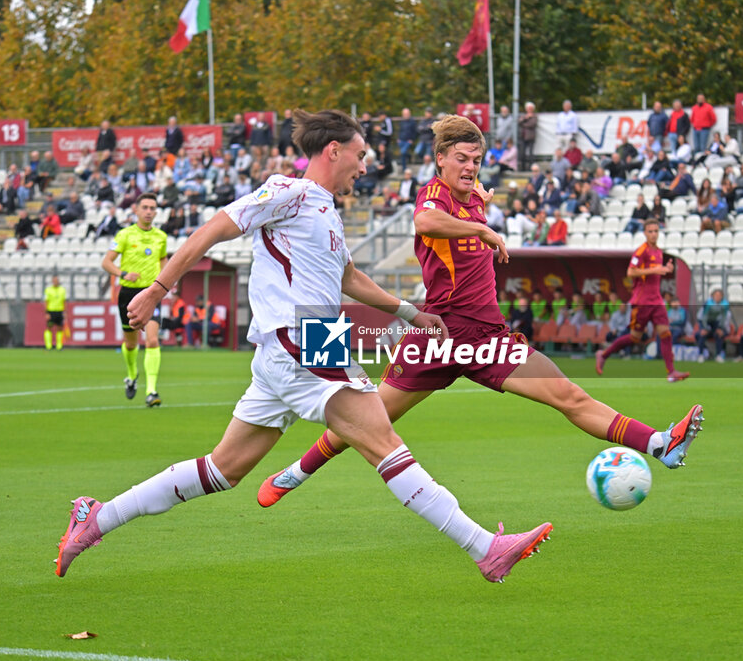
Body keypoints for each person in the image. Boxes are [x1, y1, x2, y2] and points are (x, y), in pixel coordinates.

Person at [56, 109, 554, 584]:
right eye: (360, 156)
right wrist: (158, 288)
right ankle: (485, 548)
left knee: (222, 469)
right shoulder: (288, 192)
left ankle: (96, 518)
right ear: (333, 151)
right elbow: (211, 230)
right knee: (382, 439)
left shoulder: (326, 213)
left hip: (304, 340)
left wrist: (409, 312)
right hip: (303, 337)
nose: (365, 166)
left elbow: (350, 278)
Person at [254, 114, 704, 516]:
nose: (471, 168)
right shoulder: (433, 195)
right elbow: (426, 223)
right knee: (366, 421)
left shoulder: (472, 197)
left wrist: (478, 206)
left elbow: (466, 210)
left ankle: (659, 444)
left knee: (568, 395)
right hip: (438, 337)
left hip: (487, 337)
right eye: (463, 159)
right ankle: (297, 471)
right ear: (441, 161)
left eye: (478, 160)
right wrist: (481, 226)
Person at [595, 219, 690, 382]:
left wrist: (666, 270)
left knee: (666, 334)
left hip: (657, 300)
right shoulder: (641, 251)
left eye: (656, 231)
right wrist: (655, 269)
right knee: (634, 338)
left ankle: (671, 372)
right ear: (645, 233)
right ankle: (604, 354)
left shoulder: (659, 252)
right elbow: (631, 272)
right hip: (642, 301)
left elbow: (656, 272)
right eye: (650, 231)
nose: (653, 234)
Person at [101, 193, 168, 408]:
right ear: (136, 210)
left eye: (152, 208)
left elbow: (163, 260)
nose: (149, 211)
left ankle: (151, 391)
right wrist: (122, 274)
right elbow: (106, 262)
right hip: (129, 294)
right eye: (145, 207)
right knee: (131, 343)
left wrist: (164, 283)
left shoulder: (161, 237)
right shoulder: (125, 235)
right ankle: (131, 375)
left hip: (151, 294)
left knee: (152, 340)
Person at [696, 288, 732, 362]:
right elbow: (704, 316)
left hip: (715, 321)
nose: (718, 297)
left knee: (719, 334)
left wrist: (720, 328)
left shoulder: (725, 304)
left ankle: (718, 355)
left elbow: (723, 316)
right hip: (704, 321)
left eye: (719, 295)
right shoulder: (708, 303)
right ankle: (700, 355)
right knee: (702, 334)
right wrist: (705, 328)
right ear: (712, 296)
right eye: (716, 295)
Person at [44, 275, 67, 351]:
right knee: (49, 327)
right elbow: (46, 301)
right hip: (51, 311)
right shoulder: (48, 290)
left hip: (59, 311)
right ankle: (48, 346)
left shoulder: (62, 290)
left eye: (56, 280)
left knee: (60, 328)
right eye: (54, 280)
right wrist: (47, 312)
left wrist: (65, 311)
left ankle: (59, 346)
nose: (55, 282)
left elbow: (64, 301)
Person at [518, 101, 539, 170]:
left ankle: (531, 168)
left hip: (530, 137)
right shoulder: (524, 116)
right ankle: (523, 168)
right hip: (523, 137)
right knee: (522, 153)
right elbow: (519, 121)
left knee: (530, 154)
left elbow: (532, 124)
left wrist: (524, 124)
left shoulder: (534, 116)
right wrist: (526, 118)